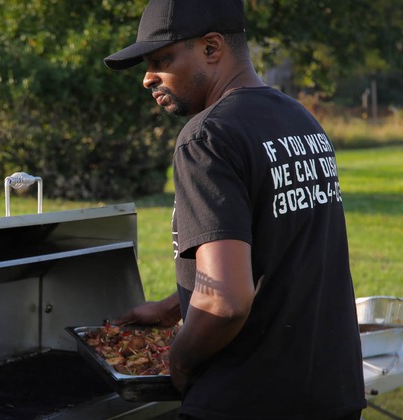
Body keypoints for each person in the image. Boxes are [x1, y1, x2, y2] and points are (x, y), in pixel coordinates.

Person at [103, 0, 366, 419]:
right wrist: (175, 307)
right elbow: (280, 256)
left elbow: (225, 302)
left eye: (160, 59)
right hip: (330, 392)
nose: (148, 77)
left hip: (248, 397)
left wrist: (181, 359)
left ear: (211, 48)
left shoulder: (206, 137)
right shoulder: (300, 121)